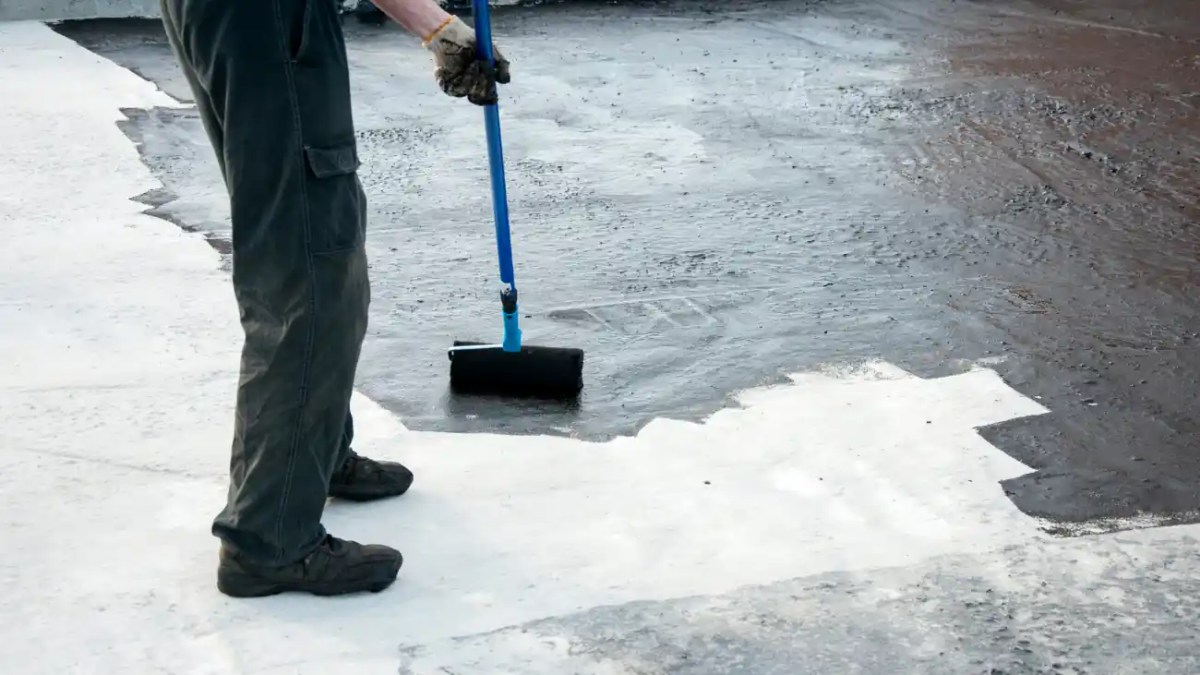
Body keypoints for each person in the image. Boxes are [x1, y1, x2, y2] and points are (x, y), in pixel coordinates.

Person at [158, 0, 510, 597]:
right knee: (310, 264)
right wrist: (436, 27)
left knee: (297, 229)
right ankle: (269, 539)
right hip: (268, 21)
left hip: (235, 19)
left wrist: (434, 29)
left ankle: (310, 455)